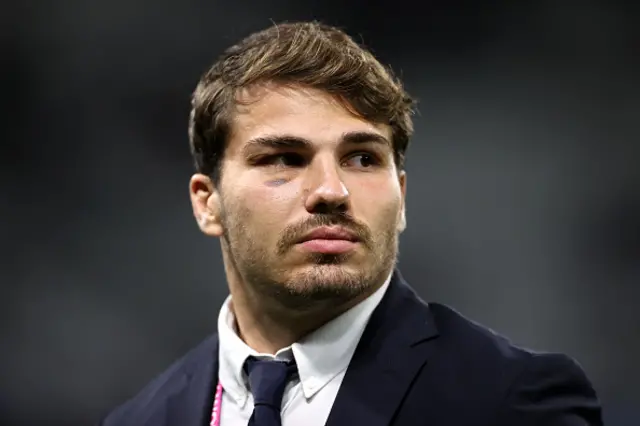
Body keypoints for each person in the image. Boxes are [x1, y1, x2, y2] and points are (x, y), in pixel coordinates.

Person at [99, 21, 603, 426]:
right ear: (207, 204)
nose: (332, 190)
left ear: (400, 197)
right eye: (284, 158)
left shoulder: (513, 403)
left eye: (362, 158)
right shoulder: (141, 418)